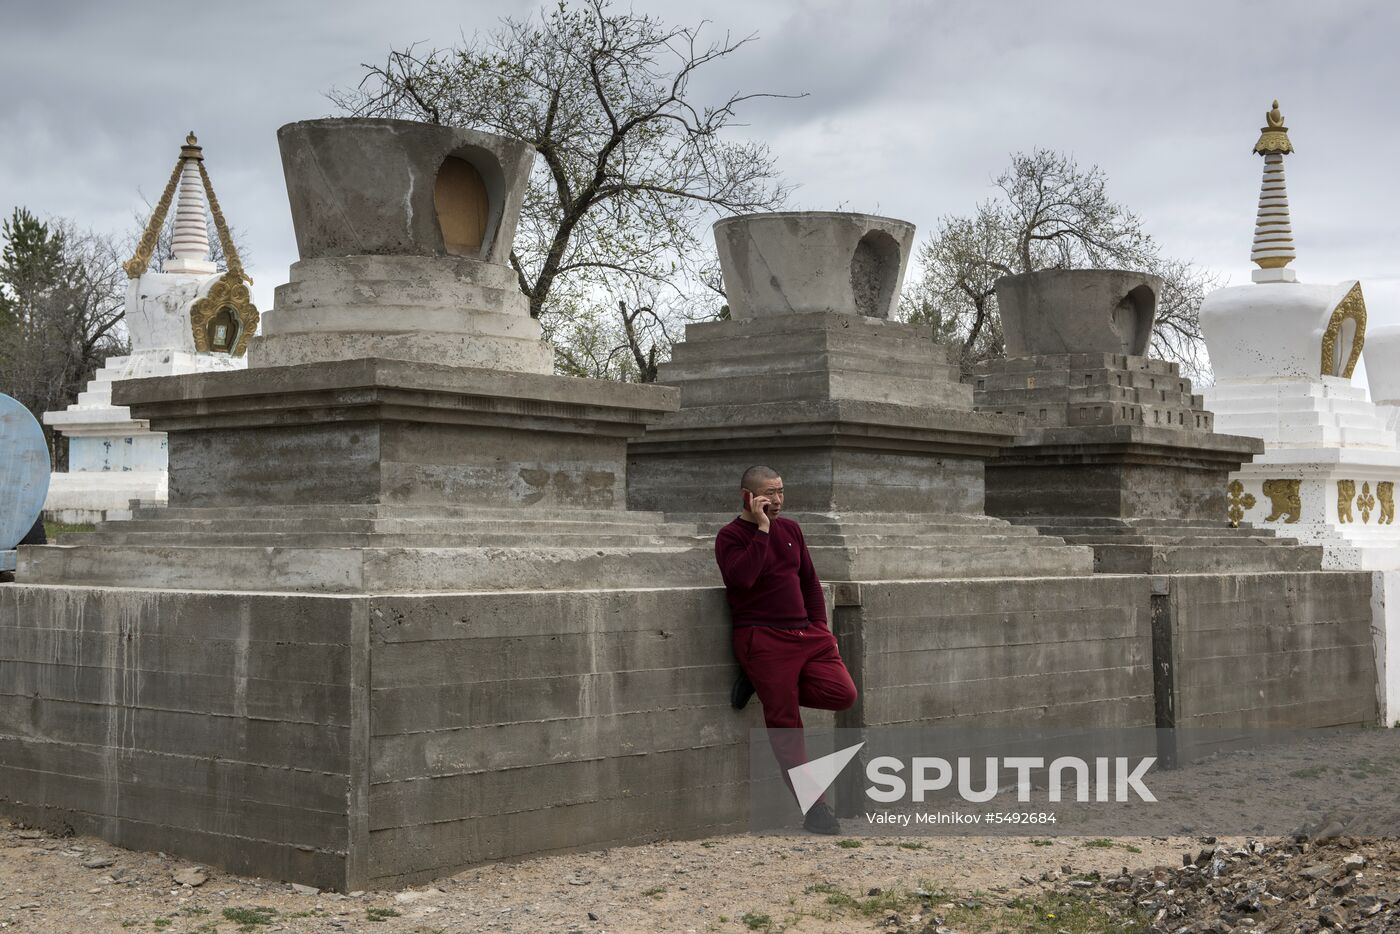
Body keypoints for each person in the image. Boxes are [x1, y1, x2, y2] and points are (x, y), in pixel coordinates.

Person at [714, 465, 858, 834]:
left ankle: (762, 682)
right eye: (767, 494)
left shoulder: (792, 529)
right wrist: (761, 530)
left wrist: (821, 629)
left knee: (843, 693)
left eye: (780, 492)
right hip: (762, 637)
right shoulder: (730, 536)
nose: (776, 501)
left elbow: (809, 581)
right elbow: (743, 580)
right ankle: (816, 809)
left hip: (806, 636)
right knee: (786, 728)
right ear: (747, 496)